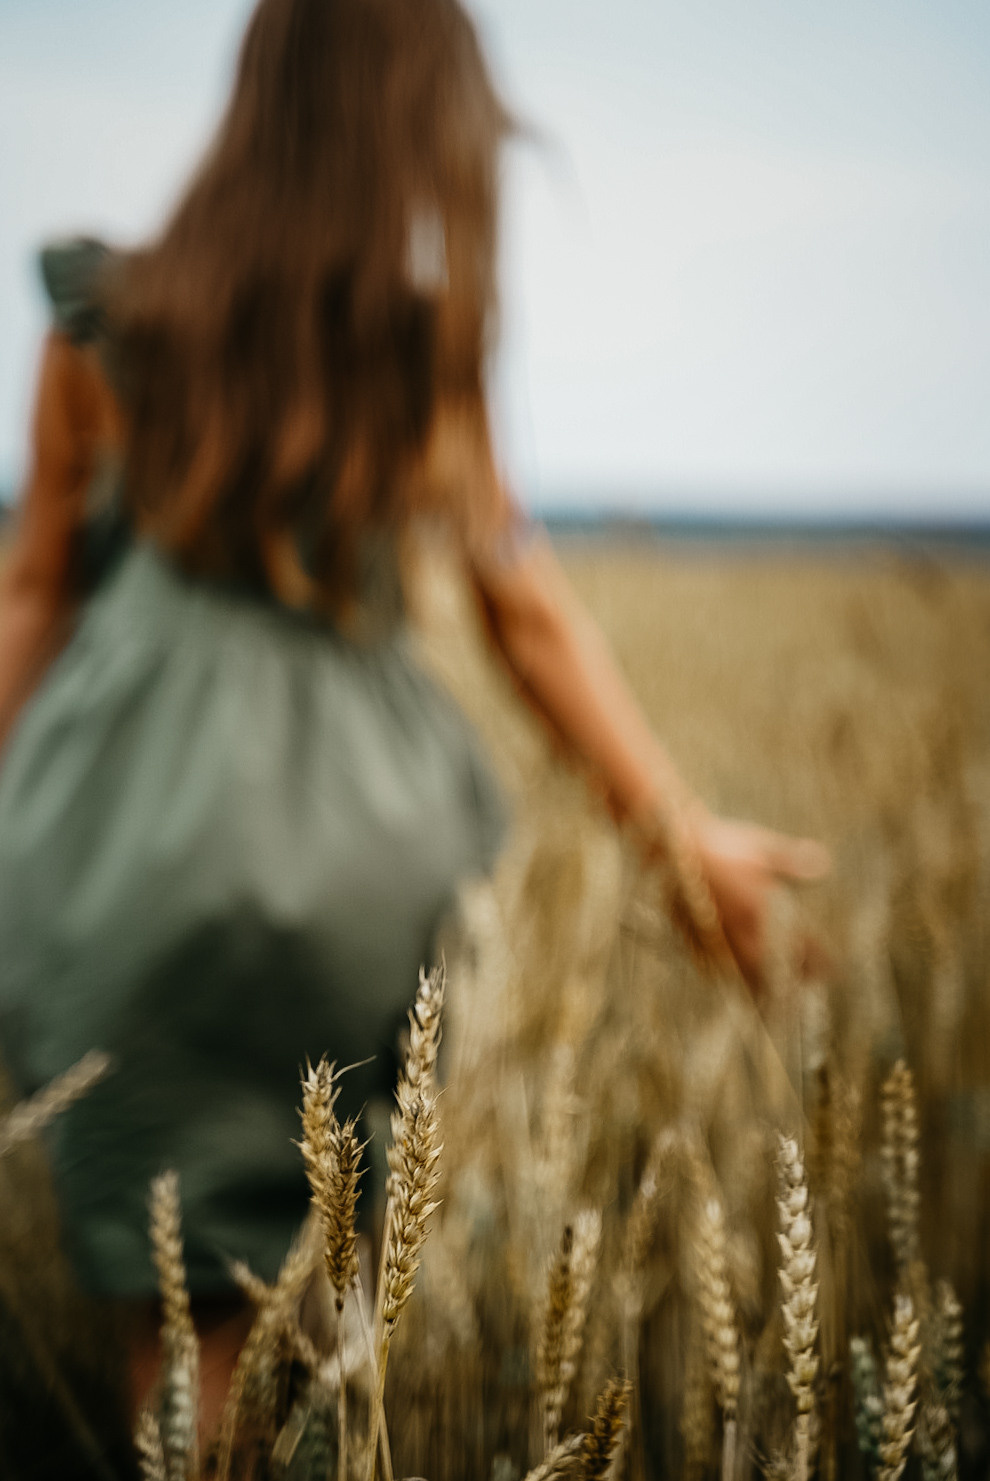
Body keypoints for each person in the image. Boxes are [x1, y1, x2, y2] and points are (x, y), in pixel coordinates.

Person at [0, 0, 827, 1435]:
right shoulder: (417, 350)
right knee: (328, 1314)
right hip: (356, 859)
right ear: (421, 132)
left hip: (129, 849)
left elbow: (33, 596)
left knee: (182, 1335)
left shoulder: (106, 325)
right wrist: (681, 843)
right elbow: (526, 613)